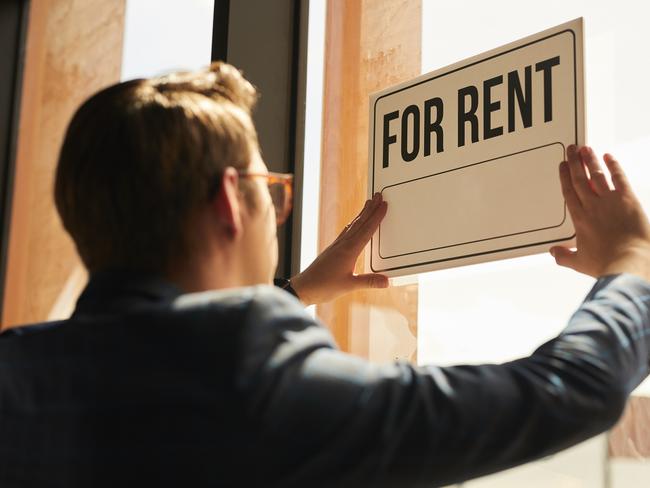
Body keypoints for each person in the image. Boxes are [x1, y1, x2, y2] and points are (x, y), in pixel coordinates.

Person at [0, 62, 648, 488]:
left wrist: (300, 292)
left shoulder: (21, 368)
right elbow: (566, 394)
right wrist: (632, 263)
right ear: (232, 201)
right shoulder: (250, 361)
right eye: (270, 190)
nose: (276, 217)